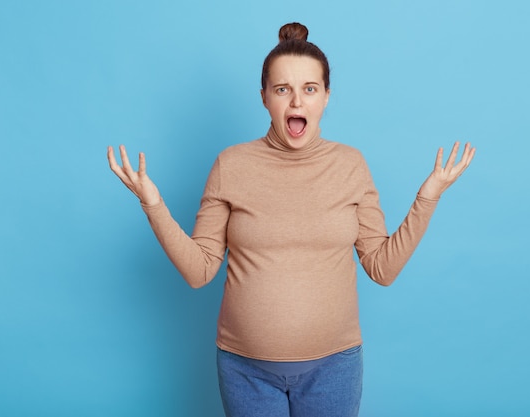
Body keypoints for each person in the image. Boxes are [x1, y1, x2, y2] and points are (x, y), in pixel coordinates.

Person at [108, 22, 475, 417]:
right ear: (265, 97)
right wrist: (152, 202)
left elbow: (381, 268)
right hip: (245, 370)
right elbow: (199, 271)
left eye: (310, 89)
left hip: (334, 367)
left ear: (327, 97)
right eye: (283, 89)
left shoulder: (351, 165)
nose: (296, 102)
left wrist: (429, 196)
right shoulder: (231, 165)